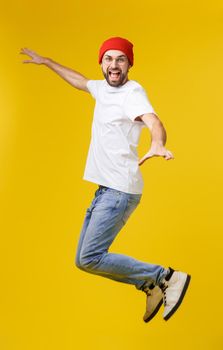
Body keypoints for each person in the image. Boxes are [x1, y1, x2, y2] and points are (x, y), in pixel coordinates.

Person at [20, 37, 191, 322]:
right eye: (108, 59)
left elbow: (153, 120)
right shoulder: (101, 89)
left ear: (129, 64)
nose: (114, 65)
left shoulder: (132, 92)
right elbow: (80, 81)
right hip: (106, 190)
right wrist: (48, 62)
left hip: (119, 190)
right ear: (102, 63)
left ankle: (164, 278)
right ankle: (150, 284)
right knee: (82, 260)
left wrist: (158, 142)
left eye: (120, 59)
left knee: (90, 258)